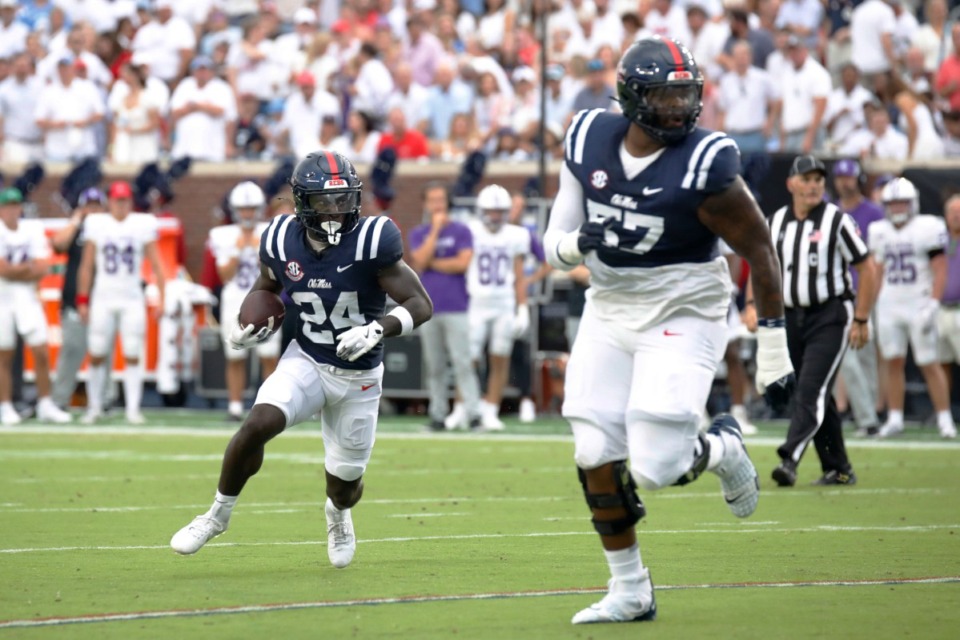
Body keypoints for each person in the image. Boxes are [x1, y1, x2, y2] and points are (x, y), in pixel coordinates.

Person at [542, 36, 795, 625]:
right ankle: (630, 589)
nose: (678, 108)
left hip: (684, 305)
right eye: (664, 95)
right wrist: (576, 244)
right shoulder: (587, 137)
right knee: (593, 449)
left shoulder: (708, 162)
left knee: (656, 467)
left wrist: (774, 344)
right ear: (632, 97)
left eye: (686, 94)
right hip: (608, 305)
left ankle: (723, 447)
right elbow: (555, 240)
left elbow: (760, 247)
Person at [170, 150, 433, 568]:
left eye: (342, 200)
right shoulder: (280, 238)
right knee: (257, 424)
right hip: (307, 360)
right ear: (300, 203)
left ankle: (338, 513)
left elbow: (420, 303)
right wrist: (246, 320)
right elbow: (266, 287)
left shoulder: (372, 238)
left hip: (359, 376)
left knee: (345, 485)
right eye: (323, 202)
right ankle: (217, 515)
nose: (333, 211)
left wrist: (377, 328)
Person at [749, 155, 879, 488]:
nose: (813, 186)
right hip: (790, 316)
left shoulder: (837, 220)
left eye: (818, 180)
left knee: (810, 388)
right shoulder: (775, 221)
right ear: (791, 184)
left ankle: (789, 458)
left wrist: (861, 318)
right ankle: (839, 467)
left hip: (830, 314)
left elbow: (867, 268)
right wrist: (752, 304)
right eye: (806, 180)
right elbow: (760, 266)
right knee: (813, 392)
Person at [870, 178, 957, 439]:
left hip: (918, 301)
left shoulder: (927, 227)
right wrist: (869, 308)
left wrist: (933, 302)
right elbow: (876, 271)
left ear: (913, 203)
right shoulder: (878, 230)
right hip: (889, 302)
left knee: (929, 361)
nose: (897, 208)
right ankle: (895, 418)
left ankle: (944, 418)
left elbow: (940, 268)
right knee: (892, 361)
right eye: (893, 203)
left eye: (902, 203)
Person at [76, 181, 166, 425]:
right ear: (110, 201)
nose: (121, 205)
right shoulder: (97, 224)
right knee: (96, 352)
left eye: (125, 200)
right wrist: (82, 299)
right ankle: (94, 407)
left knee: (133, 352)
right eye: (117, 200)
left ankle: (132, 409)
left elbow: (157, 264)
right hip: (103, 297)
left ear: (130, 202)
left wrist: (162, 297)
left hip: (131, 298)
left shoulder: (141, 224)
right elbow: (87, 265)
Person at [407, 181, 482, 432]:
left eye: (441, 200)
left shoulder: (462, 231)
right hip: (429, 308)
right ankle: (438, 415)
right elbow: (419, 261)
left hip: (457, 306)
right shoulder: (419, 233)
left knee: (462, 362)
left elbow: (462, 264)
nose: (437, 205)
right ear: (426, 204)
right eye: (433, 200)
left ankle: (474, 415)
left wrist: (433, 263)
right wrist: (435, 232)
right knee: (435, 365)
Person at [207, 181, 281, 422]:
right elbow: (224, 276)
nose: (248, 214)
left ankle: (270, 405)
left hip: (265, 296)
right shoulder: (223, 235)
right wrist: (238, 250)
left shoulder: (271, 231)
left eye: (252, 208)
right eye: (243, 208)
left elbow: (278, 272)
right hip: (235, 297)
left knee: (268, 354)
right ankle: (235, 406)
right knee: (235, 355)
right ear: (235, 209)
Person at [0, 187, 72, 425]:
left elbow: (43, 267)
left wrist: (18, 270)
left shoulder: (32, 229)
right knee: (4, 354)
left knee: (41, 350)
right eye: (8, 206)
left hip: (27, 295)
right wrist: (26, 268)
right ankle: (5, 405)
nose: (12, 210)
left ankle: (45, 403)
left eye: (15, 205)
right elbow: (4, 270)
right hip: (3, 296)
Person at [466, 184, 531, 431]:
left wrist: (522, 307)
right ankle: (466, 407)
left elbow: (519, 274)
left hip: (504, 302)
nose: (495, 216)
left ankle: (491, 409)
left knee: (500, 357)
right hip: (476, 302)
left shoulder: (516, 235)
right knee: (468, 359)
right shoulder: (470, 232)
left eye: (499, 211)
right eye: (491, 211)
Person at [831, 159, 884, 437]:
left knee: (866, 357)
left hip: (865, 290)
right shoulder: (831, 212)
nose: (844, 182)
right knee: (848, 357)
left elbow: (876, 258)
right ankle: (867, 417)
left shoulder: (873, 213)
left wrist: (873, 294)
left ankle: (872, 414)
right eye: (839, 177)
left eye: (848, 177)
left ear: (857, 179)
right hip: (840, 293)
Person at [50, 187, 114, 412]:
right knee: (72, 349)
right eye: (90, 205)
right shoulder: (77, 230)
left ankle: (105, 398)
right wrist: (76, 220)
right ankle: (59, 399)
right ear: (82, 207)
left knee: (103, 350)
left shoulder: (109, 230)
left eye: (98, 205)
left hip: (104, 299)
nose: (94, 210)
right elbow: (57, 244)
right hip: (74, 300)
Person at [936, 195, 960, 392]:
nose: (956, 216)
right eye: (953, 212)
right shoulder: (938, 240)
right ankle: (945, 413)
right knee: (941, 363)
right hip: (940, 309)